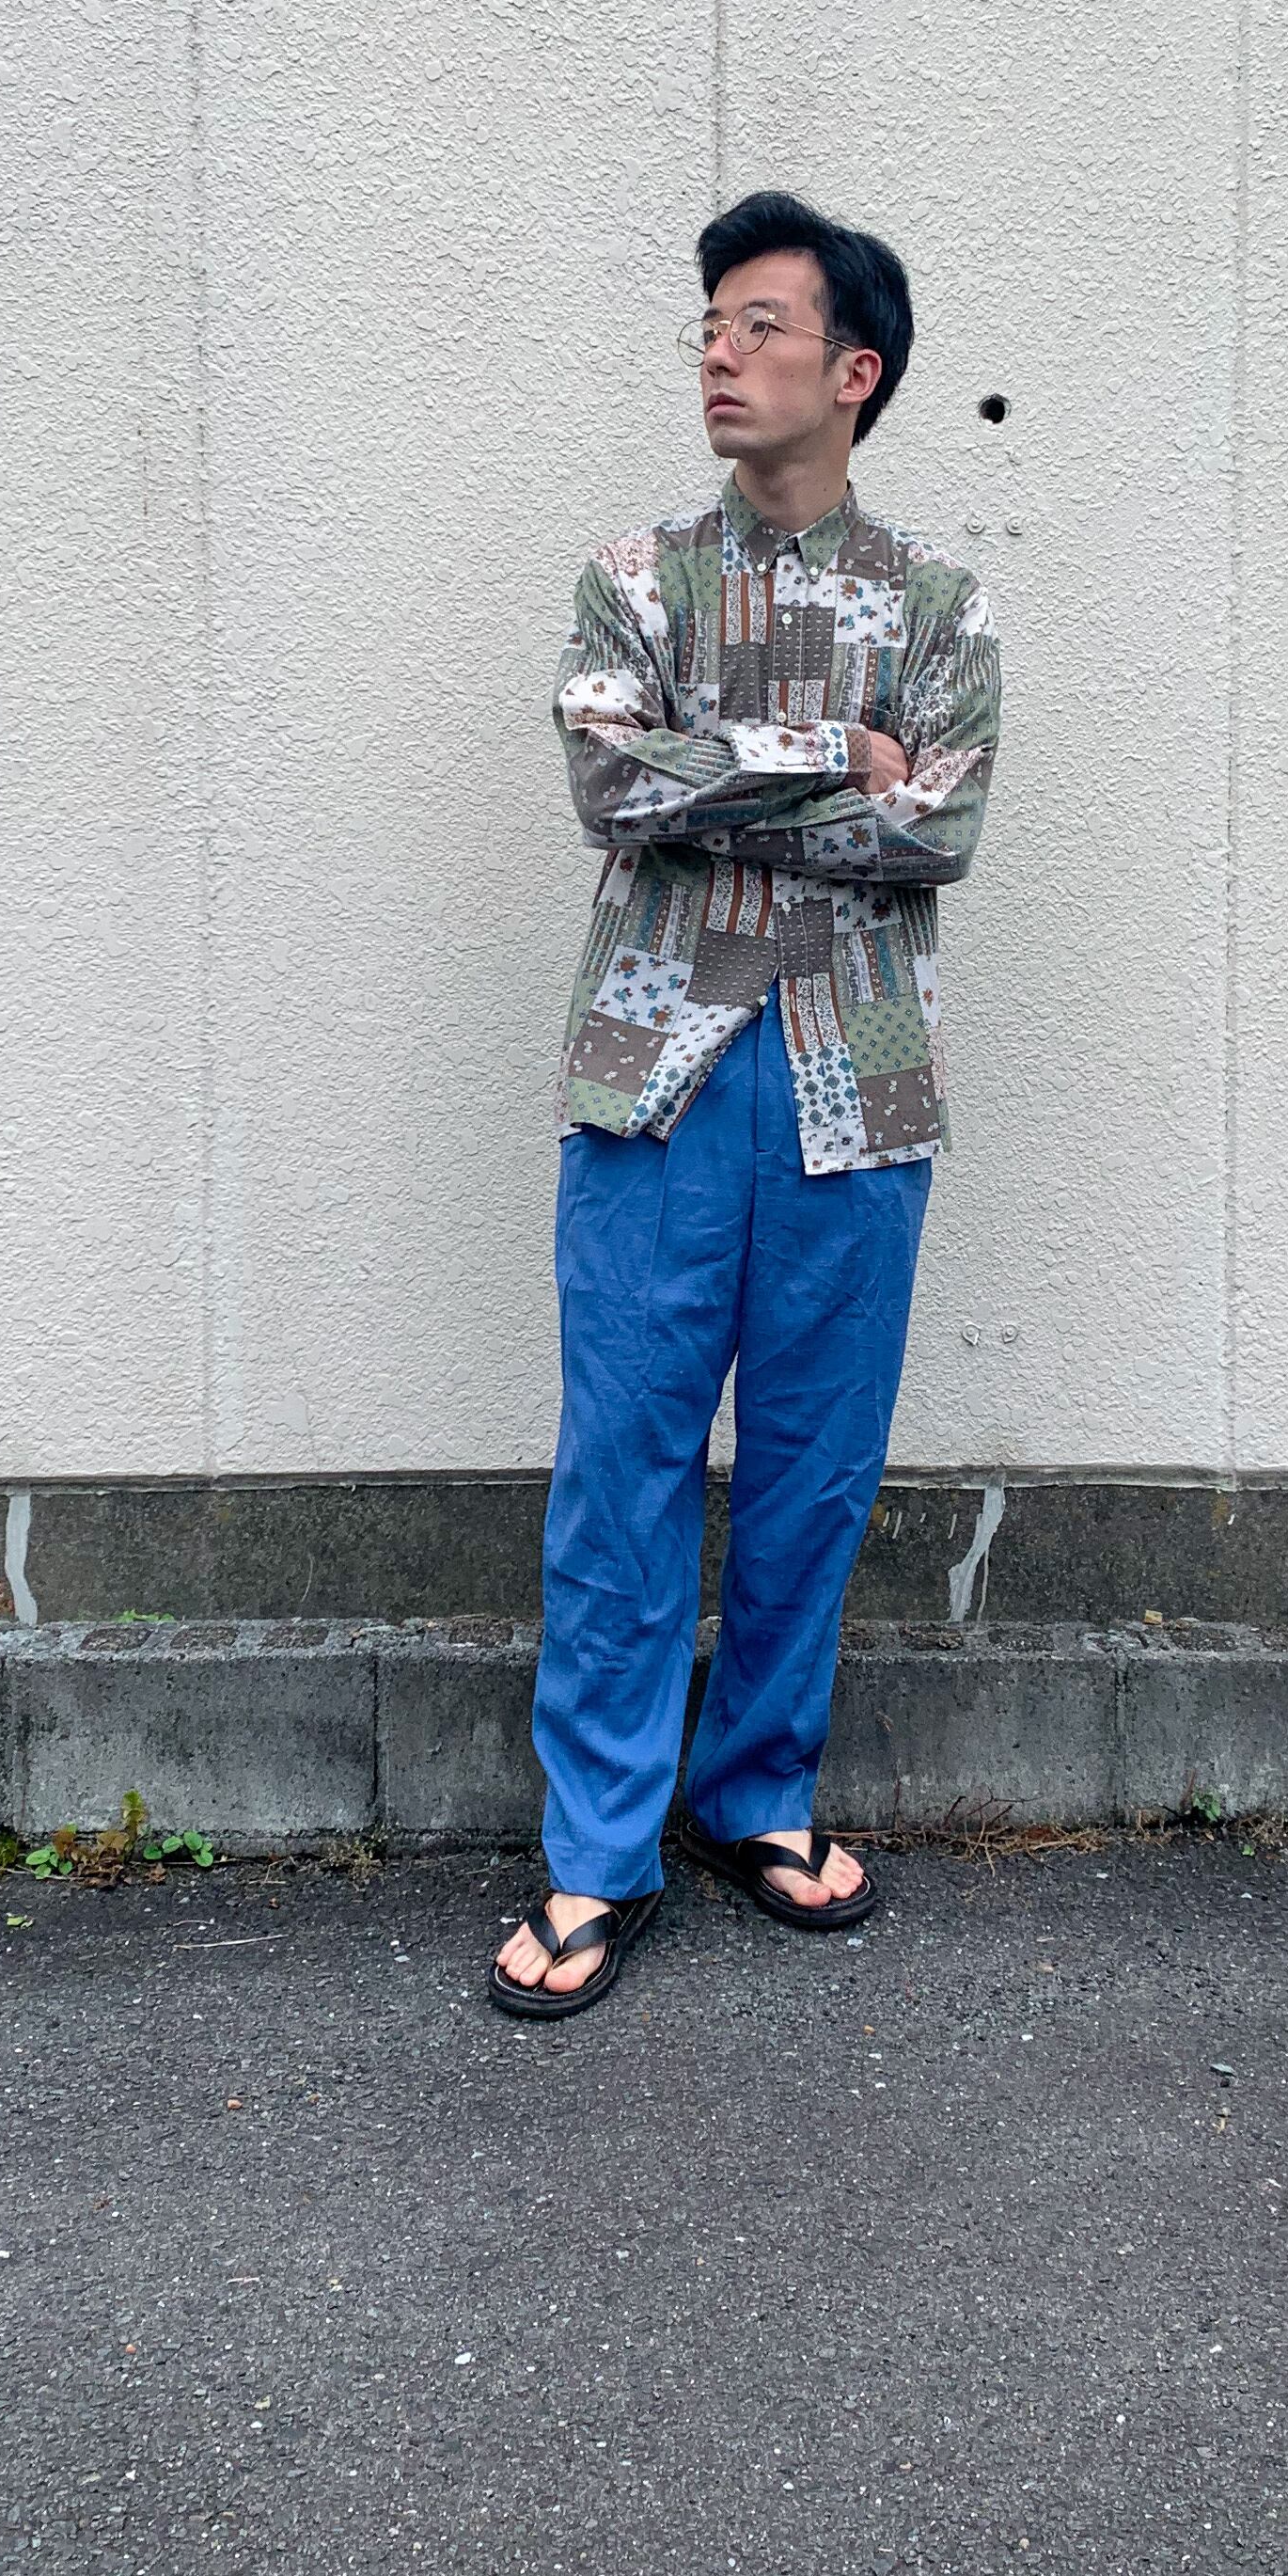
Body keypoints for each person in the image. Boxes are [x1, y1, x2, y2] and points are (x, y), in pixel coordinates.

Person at [489, 190, 1002, 2018]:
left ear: (854, 372)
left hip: (858, 1080)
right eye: (709, 325)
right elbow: (610, 790)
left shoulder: (938, 603)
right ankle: (596, 1852)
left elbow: (939, 824)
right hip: (656, 1073)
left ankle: (758, 1793)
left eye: (760, 326)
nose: (720, 353)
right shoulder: (636, 581)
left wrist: (722, 784)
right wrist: (823, 758)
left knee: (813, 1468)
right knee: (621, 1464)